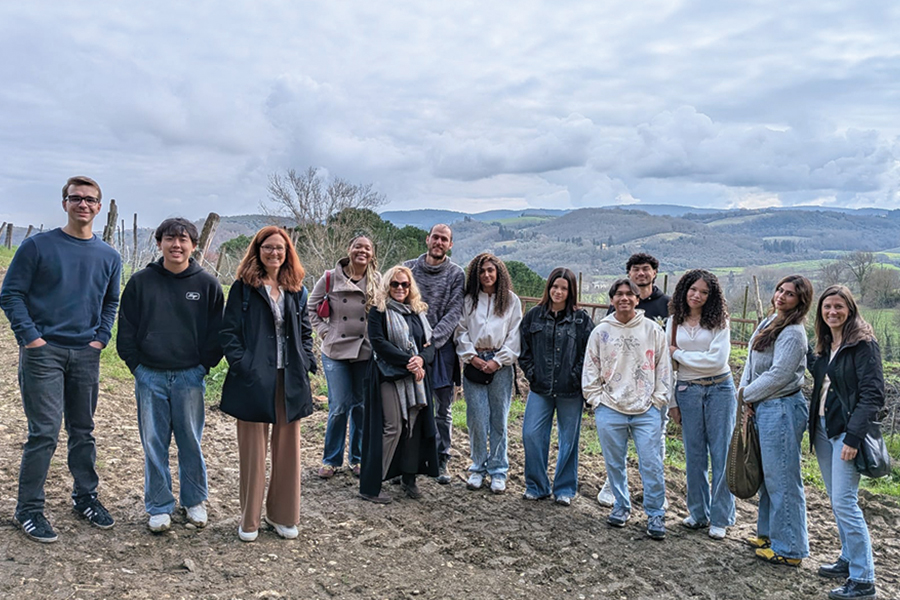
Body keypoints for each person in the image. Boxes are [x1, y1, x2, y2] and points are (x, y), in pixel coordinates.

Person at [0, 176, 121, 543]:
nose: (83, 204)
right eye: (76, 198)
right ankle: (29, 510)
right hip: (44, 353)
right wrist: (31, 339)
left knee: (83, 431)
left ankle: (85, 497)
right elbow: (11, 294)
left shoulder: (109, 256)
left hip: (86, 353)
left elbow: (111, 302)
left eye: (90, 199)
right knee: (45, 432)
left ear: (99, 207)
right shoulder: (38, 246)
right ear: (64, 203)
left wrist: (101, 339)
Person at [116, 218, 224, 532]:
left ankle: (194, 501)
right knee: (154, 442)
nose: (176, 245)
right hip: (150, 374)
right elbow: (126, 330)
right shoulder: (141, 282)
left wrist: (205, 366)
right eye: (170, 239)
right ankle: (159, 506)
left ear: (194, 245)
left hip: (190, 375)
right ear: (159, 242)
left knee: (191, 441)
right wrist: (136, 366)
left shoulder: (207, 284)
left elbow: (217, 332)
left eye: (183, 239)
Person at [219, 226, 317, 542]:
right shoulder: (243, 288)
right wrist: (243, 364)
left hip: (289, 379)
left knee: (288, 452)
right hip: (253, 380)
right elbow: (229, 333)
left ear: (287, 252)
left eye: (280, 248)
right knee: (253, 453)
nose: (274, 253)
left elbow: (304, 332)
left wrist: (306, 361)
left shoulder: (296, 289)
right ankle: (249, 521)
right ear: (257, 250)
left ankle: (283, 516)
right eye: (268, 247)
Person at [583, 278, 671, 540]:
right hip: (610, 407)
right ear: (611, 300)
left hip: (646, 410)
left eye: (629, 294)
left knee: (651, 463)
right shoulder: (601, 332)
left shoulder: (652, 330)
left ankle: (655, 512)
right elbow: (591, 366)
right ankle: (622, 506)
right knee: (614, 463)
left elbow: (663, 368)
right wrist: (596, 399)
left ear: (637, 299)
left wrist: (658, 400)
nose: (624, 298)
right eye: (618, 294)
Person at [809, 285, 880, 600]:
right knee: (836, 500)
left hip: (845, 432)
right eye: (827, 307)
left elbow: (873, 394)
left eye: (838, 306)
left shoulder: (862, 344)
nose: (832, 312)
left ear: (850, 309)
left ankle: (864, 580)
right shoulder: (826, 344)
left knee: (845, 503)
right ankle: (849, 558)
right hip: (824, 428)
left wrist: (854, 437)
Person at [741, 274, 813, 566]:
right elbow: (751, 362)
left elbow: (780, 375)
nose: (781, 296)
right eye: (779, 290)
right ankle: (768, 533)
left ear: (801, 301)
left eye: (790, 294)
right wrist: (747, 397)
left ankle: (791, 549)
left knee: (783, 478)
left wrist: (745, 394)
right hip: (764, 405)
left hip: (782, 407)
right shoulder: (770, 321)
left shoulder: (794, 332)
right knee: (768, 477)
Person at [358, 266, 439, 503]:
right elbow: (379, 344)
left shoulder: (418, 313)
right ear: (387, 286)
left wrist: (421, 359)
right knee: (393, 427)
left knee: (413, 428)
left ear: (411, 286)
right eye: (395, 284)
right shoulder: (378, 311)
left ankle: (408, 477)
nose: (400, 288)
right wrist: (410, 362)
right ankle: (371, 485)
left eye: (404, 284)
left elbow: (430, 345)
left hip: (415, 380)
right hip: (388, 376)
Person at [666, 270, 735, 540]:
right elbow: (666, 366)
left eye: (704, 292)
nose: (697, 295)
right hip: (687, 391)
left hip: (720, 389)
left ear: (712, 296)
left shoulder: (719, 321)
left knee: (721, 453)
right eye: (693, 289)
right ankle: (697, 512)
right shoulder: (673, 322)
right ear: (684, 290)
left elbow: (717, 361)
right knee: (694, 455)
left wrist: (681, 354)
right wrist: (672, 401)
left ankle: (720, 517)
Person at [598, 252, 670, 507]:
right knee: (618, 442)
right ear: (629, 274)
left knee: (654, 443)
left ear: (654, 273)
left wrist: (661, 393)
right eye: (636, 269)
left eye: (646, 269)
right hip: (619, 387)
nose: (641, 273)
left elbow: (670, 346)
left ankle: (654, 492)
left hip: (651, 390)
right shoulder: (619, 303)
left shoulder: (667, 305)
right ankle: (613, 486)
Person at [519, 268, 593, 506]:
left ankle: (564, 488)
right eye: (555, 286)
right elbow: (523, 349)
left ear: (571, 291)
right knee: (531, 434)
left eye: (564, 288)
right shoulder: (534, 316)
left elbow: (589, 354)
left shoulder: (581, 320)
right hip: (540, 389)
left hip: (570, 391)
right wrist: (532, 373)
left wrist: (575, 377)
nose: (558, 292)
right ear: (548, 287)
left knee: (568, 440)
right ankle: (537, 485)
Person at [309, 235, 380, 479]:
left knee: (360, 406)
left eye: (367, 248)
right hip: (335, 350)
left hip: (365, 350)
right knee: (339, 406)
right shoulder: (330, 277)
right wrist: (325, 332)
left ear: (372, 254)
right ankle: (331, 459)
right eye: (358, 246)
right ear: (349, 249)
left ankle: (357, 458)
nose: (362, 251)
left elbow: (383, 313)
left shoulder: (377, 280)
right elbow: (311, 307)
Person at [455, 253, 522, 494]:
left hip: (500, 366)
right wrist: (471, 356)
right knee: (476, 418)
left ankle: (498, 470)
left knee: (499, 420)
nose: (486, 275)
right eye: (482, 271)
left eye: (491, 270)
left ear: (499, 273)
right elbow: (461, 330)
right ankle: (477, 467)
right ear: (476, 274)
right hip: (473, 361)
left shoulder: (511, 301)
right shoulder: (468, 300)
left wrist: (498, 360)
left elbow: (515, 335)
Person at [405, 224, 466, 484]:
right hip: (410, 346)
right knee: (412, 405)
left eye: (444, 239)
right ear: (427, 239)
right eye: (435, 237)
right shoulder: (408, 269)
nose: (439, 242)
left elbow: (454, 312)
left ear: (450, 244)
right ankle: (411, 459)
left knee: (443, 408)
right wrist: (414, 341)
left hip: (441, 349)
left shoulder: (456, 274)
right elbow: (399, 303)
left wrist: (432, 340)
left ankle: (442, 458)